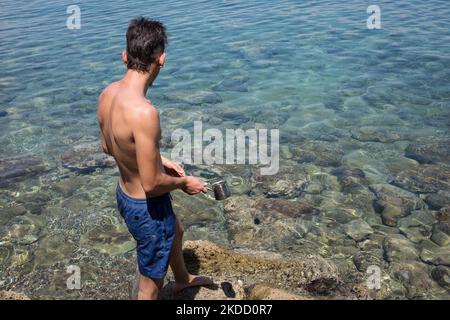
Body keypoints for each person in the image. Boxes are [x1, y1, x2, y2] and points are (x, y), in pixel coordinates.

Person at [97, 16, 213, 300]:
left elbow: (109, 147)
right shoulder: (145, 112)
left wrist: (158, 160)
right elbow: (150, 185)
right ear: (161, 60)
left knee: (176, 229)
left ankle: (183, 278)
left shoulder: (108, 94)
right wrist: (185, 182)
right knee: (150, 286)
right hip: (145, 207)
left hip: (125, 194)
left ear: (125, 55)